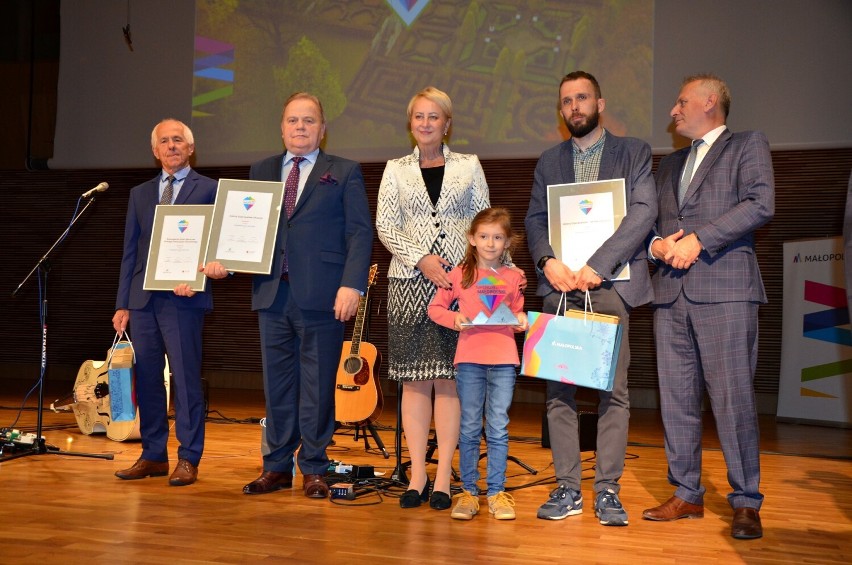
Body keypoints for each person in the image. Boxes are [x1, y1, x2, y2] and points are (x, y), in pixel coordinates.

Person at [205, 92, 373, 499]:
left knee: (317, 387)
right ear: (281, 127)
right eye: (293, 120)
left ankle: (314, 466)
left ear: (323, 128)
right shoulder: (261, 169)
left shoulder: (344, 171)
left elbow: (359, 232)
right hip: (271, 294)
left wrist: (352, 285)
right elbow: (245, 226)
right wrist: (224, 256)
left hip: (323, 295)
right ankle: (276, 466)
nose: (300, 127)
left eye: (308, 120)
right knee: (276, 386)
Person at [642, 74, 774, 540]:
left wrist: (700, 239)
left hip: (727, 291)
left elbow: (761, 203)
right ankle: (687, 494)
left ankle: (745, 502)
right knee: (676, 399)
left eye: (681, 103)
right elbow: (653, 224)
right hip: (670, 295)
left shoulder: (746, 146)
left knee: (733, 399)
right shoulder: (668, 164)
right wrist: (657, 246)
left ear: (710, 102)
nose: (673, 112)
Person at [524, 71, 657, 526]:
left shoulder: (633, 151)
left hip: (610, 286)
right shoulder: (549, 160)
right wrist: (546, 262)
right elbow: (536, 220)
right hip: (560, 288)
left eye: (582, 98)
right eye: (566, 101)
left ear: (600, 104)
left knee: (613, 393)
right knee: (558, 391)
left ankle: (607, 491)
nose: (574, 106)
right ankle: (567, 488)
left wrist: (597, 265)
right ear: (561, 111)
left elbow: (643, 212)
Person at [376, 86, 491, 510]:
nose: (426, 123)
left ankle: (444, 474)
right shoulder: (395, 169)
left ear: (447, 123)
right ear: (411, 122)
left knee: (449, 379)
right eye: (419, 116)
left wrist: (485, 274)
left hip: (459, 285)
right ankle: (417, 475)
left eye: (434, 116)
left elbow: (485, 221)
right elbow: (386, 225)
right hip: (408, 281)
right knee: (414, 380)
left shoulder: (469, 166)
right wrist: (421, 259)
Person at [113, 119, 218, 486]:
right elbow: (130, 252)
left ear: (190, 148)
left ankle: (189, 457)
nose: (171, 146)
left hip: (183, 299)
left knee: (187, 379)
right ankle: (153, 454)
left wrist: (200, 277)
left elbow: (216, 247)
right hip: (142, 301)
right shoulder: (140, 194)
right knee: (148, 378)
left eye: (178, 140)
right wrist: (122, 303)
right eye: (164, 141)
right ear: (155, 150)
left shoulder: (211, 190)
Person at [427, 207, 527, 521]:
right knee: (469, 428)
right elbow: (435, 308)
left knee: (498, 427)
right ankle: (468, 492)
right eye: (484, 236)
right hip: (469, 360)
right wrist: (454, 318)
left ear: (508, 242)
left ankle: (497, 492)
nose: (490, 243)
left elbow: (516, 315)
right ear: (472, 238)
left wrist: (521, 320)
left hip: (504, 360)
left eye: (498, 237)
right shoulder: (459, 273)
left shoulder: (515, 277)